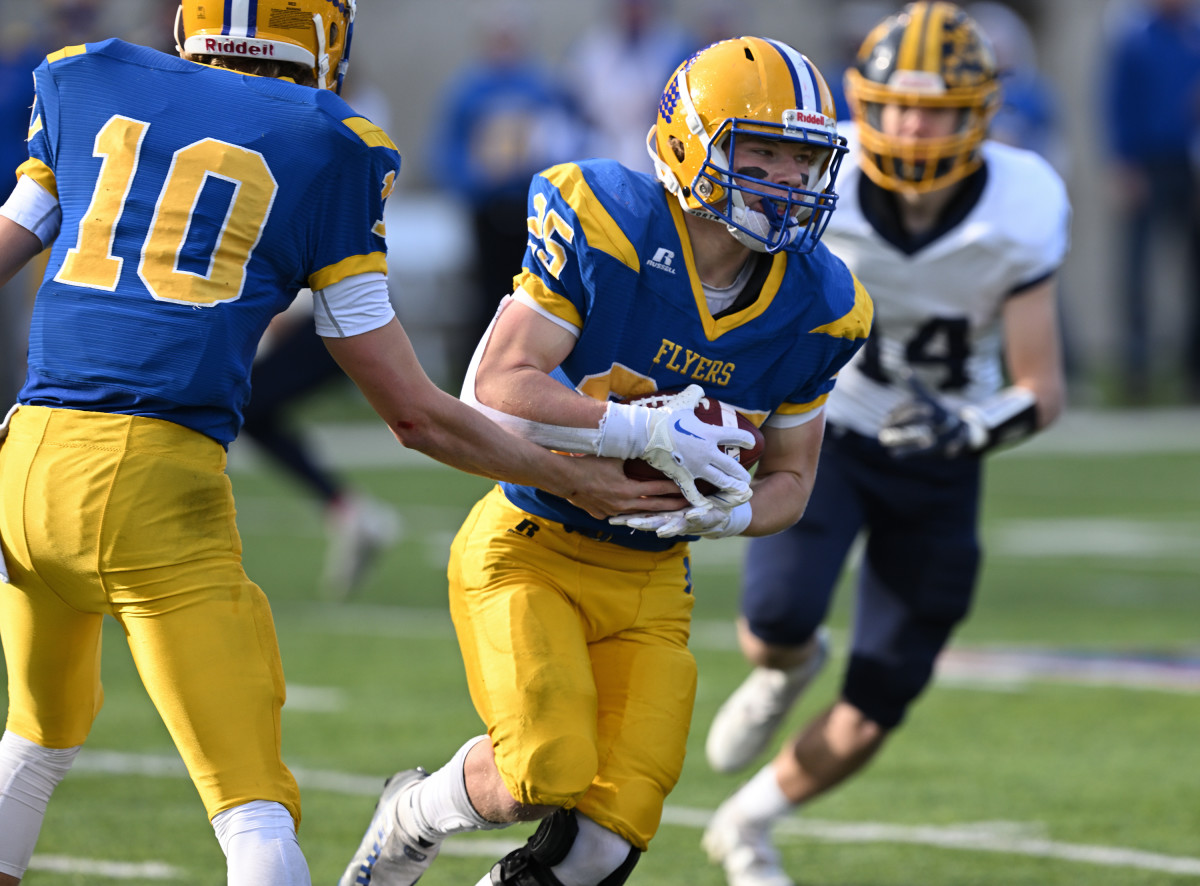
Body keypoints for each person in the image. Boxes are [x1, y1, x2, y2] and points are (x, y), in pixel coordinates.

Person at [0, 0, 721, 882]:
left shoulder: (88, 76)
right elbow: (413, 413)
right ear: (320, 32)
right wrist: (573, 477)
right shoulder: (327, 143)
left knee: (33, 744)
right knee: (252, 811)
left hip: (25, 458)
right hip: (151, 479)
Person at [338, 35, 872, 886]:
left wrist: (731, 513)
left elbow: (793, 480)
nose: (783, 179)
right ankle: (409, 818)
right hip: (533, 542)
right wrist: (642, 432)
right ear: (691, 142)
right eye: (759, 151)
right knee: (539, 773)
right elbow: (499, 381)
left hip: (654, 579)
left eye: (800, 158)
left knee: (609, 838)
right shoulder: (610, 217)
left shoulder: (823, 304)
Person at [700, 5, 1070, 886]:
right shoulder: (818, 177)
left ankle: (748, 823)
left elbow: (1043, 386)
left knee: (882, 696)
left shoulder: (1021, 203)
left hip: (946, 453)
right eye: (895, 106)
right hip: (837, 428)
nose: (910, 126)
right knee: (778, 622)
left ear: (980, 112)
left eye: (936, 108)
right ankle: (787, 669)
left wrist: (969, 427)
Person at [428, 5, 586, 380]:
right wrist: (477, 180)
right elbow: (445, 151)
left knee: (535, 293)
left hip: (531, 206)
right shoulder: (468, 88)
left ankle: (528, 372)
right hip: (486, 207)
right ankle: (476, 373)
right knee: (484, 292)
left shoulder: (541, 85)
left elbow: (567, 138)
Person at [1102, 0, 1200, 403]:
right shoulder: (1132, 37)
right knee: (1136, 272)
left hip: (1190, 165)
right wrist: (1124, 164)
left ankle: (1192, 370)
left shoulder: (1193, 35)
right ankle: (1136, 371)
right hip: (1145, 165)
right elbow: (1116, 104)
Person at [560, 0, 698, 172]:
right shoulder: (592, 47)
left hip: (656, 141)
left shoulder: (676, 47)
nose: (633, 12)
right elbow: (573, 104)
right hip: (601, 141)